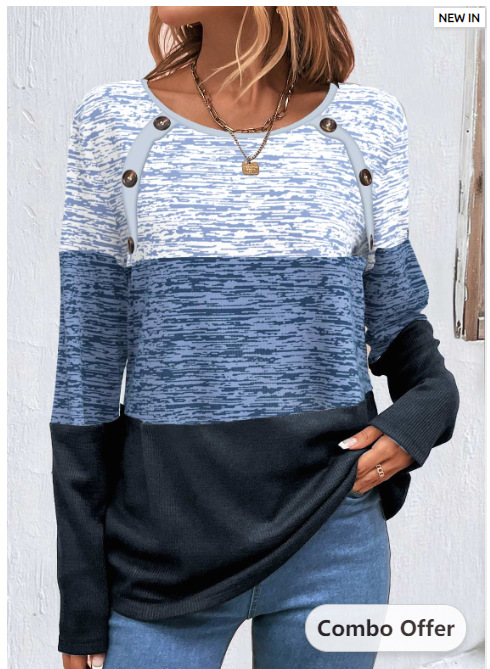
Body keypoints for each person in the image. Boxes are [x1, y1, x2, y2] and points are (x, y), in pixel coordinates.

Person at [50, 6, 459, 669]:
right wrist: (81, 599)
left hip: (333, 537)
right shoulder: (113, 120)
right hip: (161, 555)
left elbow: (394, 319)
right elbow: (85, 367)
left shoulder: (368, 124)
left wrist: (431, 408)